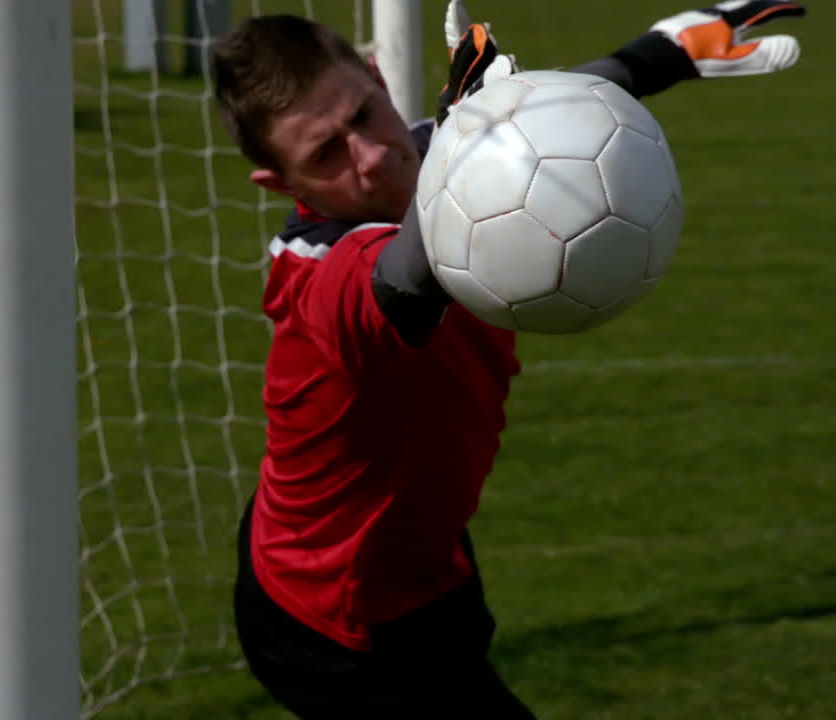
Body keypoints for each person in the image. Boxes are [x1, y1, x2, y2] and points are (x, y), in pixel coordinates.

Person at [211, 1, 805, 717]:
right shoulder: (312, 274)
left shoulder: (438, 148)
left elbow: (552, 118)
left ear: (377, 77)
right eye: (325, 155)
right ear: (282, 185)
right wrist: (464, 125)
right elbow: (402, 281)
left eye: (363, 115)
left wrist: (668, 50)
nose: (369, 156)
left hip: (423, 553)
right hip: (335, 612)